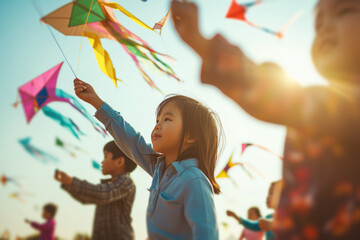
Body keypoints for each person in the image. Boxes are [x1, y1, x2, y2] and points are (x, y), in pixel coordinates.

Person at [171, 0, 360, 238]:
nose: (325, 28)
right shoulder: (325, 102)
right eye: (319, 23)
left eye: (343, 12)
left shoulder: (340, 103)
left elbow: (270, 90)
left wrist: (203, 45)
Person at [73, 78, 223, 239]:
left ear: (191, 136)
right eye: (157, 120)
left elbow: (207, 234)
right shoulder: (159, 168)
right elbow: (131, 141)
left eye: (167, 119)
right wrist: (96, 101)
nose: (157, 125)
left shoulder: (194, 180)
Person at [54, 141, 137, 240]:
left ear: (119, 162)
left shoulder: (126, 182)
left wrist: (72, 182)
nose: (102, 162)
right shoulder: (108, 185)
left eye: (106, 157)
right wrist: (68, 184)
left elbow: (103, 194)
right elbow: (86, 198)